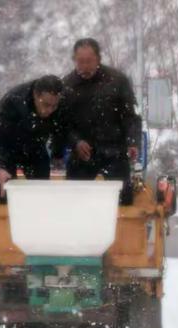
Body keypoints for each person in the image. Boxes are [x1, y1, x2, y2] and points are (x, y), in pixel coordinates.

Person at [61, 38, 141, 204]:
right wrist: (75, 142)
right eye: (80, 62)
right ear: (74, 60)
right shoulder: (67, 86)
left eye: (89, 61)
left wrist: (133, 141)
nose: (85, 67)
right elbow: (61, 124)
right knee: (74, 202)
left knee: (123, 201)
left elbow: (131, 116)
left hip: (114, 150)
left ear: (98, 59)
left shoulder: (117, 81)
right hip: (83, 154)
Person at [0, 75, 65, 200]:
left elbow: (60, 130)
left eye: (54, 106)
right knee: (4, 193)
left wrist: (57, 154)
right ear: (35, 95)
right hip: (8, 149)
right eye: (45, 105)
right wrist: (0, 166)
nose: (49, 110)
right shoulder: (14, 101)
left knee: (41, 194)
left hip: (35, 148)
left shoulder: (60, 104)